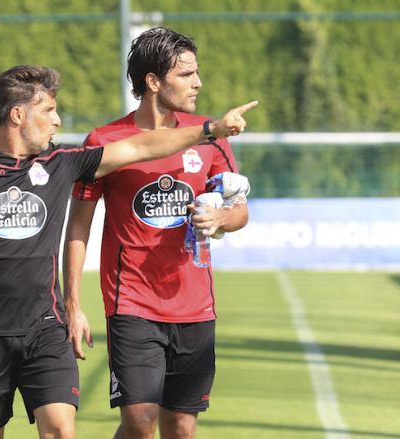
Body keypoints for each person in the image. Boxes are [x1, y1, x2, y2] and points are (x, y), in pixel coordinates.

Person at [0, 64, 255, 439]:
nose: (57, 120)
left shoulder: (61, 163)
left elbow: (139, 146)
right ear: (18, 115)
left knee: (62, 431)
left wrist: (208, 130)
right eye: (48, 111)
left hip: (46, 330)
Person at [63, 28, 250, 439]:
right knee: (139, 423)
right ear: (153, 82)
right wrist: (72, 303)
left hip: (195, 305)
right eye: (186, 75)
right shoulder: (104, 141)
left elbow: (240, 211)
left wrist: (220, 221)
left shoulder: (210, 136)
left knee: (181, 429)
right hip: (131, 303)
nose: (198, 82)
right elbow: (78, 226)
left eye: (196, 73)